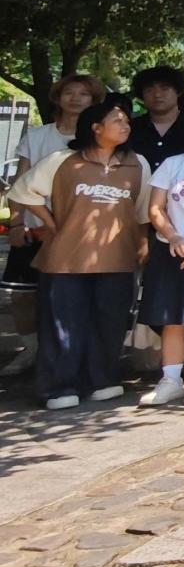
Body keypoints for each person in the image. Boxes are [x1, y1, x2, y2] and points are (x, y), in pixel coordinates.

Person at [8, 100, 151, 409]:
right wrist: (51, 224)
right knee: (63, 324)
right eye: (117, 120)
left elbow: (142, 210)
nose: (125, 125)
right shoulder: (62, 160)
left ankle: (102, 380)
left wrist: (143, 243)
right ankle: (59, 387)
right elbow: (22, 192)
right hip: (65, 259)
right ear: (96, 128)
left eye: (127, 121)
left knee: (110, 322)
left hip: (118, 257)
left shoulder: (138, 163)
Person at [5, 73, 105, 376]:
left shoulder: (98, 140)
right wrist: (16, 222)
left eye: (83, 94)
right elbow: (19, 183)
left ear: (93, 101)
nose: (75, 98)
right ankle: (31, 349)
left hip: (81, 233)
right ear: (58, 98)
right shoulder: (37, 136)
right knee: (23, 294)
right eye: (69, 92)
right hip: (35, 228)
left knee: (73, 296)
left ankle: (72, 354)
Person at [128, 65, 184, 168]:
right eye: (149, 90)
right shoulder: (130, 129)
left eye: (164, 89)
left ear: (178, 91)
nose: (157, 95)